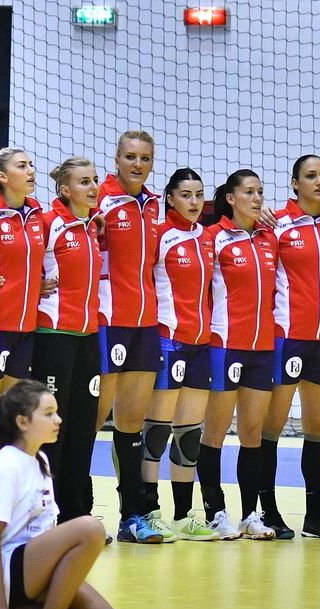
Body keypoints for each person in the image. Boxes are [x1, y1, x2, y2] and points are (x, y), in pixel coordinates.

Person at [0, 379, 121, 609]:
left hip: (34, 567)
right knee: (90, 529)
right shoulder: (7, 466)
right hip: (7, 571)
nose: (58, 420)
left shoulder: (39, 460)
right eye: (49, 413)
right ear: (22, 422)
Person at [260, 155, 320, 539]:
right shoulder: (276, 223)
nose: (319, 181)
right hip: (287, 338)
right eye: (310, 176)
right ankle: (269, 512)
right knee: (272, 427)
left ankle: (314, 516)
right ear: (295, 183)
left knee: (317, 430)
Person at [93, 131, 169, 543]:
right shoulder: (100, 200)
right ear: (117, 159)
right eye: (130, 157)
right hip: (109, 322)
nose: (138, 165)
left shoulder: (154, 204)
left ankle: (132, 517)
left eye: (145, 158)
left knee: (131, 425)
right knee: (90, 421)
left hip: (146, 325)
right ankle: (76, 512)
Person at [197, 169, 280, 540]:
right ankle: (215, 513)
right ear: (230, 199)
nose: (257, 198)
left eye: (260, 192)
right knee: (214, 432)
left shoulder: (269, 237)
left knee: (252, 433)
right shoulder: (213, 237)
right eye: (249, 192)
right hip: (225, 345)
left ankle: (250, 515)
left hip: (262, 348)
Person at [141, 167, 222, 540]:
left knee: (189, 434)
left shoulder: (208, 237)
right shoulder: (160, 235)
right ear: (170, 198)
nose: (194, 202)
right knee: (156, 431)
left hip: (200, 345)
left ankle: (184, 515)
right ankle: (149, 510)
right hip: (167, 342)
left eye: (199, 195)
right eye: (186, 195)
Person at [31, 158, 104, 527]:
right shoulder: (49, 223)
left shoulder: (92, 226)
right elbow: (19, 262)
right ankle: (46, 514)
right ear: (64, 190)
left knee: (82, 426)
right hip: (54, 336)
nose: (93, 187)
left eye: (94, 180)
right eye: (83, 182)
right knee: (52, 429)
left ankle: (77, 513)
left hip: (88, 337)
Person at [0, 146, 46, 470]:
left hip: (26, 330)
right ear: (2, 176)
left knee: (8, 427)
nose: (30, 171)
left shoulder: (38, 213)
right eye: (21, 166)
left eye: (31, 164)